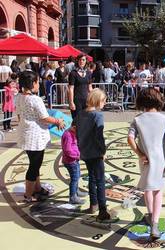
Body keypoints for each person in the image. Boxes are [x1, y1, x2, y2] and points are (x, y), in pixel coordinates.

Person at [127, 88, 165, 239]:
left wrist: (140, 154)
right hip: (160, 161)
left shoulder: (138, 119)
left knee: (148, 188)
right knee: (158, 190)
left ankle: (149, 215)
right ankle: (155, 223)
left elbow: (130, 139)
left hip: (145, 161)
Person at [16, 71, 65, 203]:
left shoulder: (19, 97)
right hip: (35, 136)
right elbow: (44, 117)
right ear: (32, 84)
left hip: (25, 133)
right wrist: (57, 121)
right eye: (37, 82)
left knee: (35, 163)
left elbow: (19, 116)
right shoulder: (35, 99)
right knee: (34, 165)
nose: (38, 84)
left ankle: (37, 188)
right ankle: (28, 194)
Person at [76, 88, 115, 222]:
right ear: (98, 100)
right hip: (95, 151)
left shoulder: (81, 113)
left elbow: (75, 129)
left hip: (84, 151)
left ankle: (93, 205)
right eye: (104, 101)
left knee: (91, 178)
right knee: (100, 180)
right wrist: (103, 151)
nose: (104, 103)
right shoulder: (97, 116)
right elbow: (99, 136)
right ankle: (103, 210)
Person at [62, 121, 87, 204]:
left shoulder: (72, 133)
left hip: (74, 160)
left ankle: (76, 191)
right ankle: (73, 197)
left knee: (77, 175)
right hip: (70, 161)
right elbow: (67, 150)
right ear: (74, 127)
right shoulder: (68, 135)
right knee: (74, 178)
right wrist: (77, 156)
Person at [68, 54, 93, 119]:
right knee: (77, 121)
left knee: (86, 120)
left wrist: (93, 100)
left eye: (83, 60)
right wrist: (71, 102)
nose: (81, 61)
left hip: (86, 100)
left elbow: (90, 88)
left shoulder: (88, 73)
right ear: (77, 61)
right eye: (80, 60)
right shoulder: (73, 73)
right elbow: (71, 88)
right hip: (76, 100)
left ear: (86, 61)